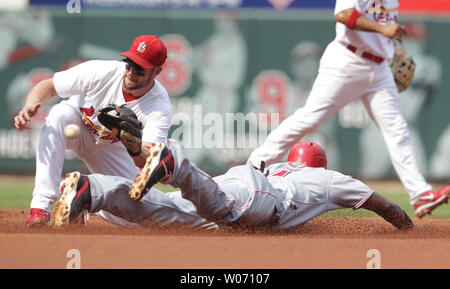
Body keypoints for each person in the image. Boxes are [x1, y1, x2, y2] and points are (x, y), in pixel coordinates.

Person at [246, 0, 450, 218]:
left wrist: (389, 49)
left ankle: (420, 194)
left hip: (379, 68)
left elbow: (380, 24)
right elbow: (344, 14)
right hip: (347, 61)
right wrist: (383, 29)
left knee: (397, 130)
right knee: (309, 118)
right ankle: (254, 165)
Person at [54, 140, 414, 231]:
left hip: (242, 186)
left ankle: (93, 191)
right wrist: (408, 228)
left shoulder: (281, 168)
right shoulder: (329, 178)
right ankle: (174, 165)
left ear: (294, 159)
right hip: (258, 197)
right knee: (227, 208)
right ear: (318, 165)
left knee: (163, 212)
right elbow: (382, 204)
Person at [14, 35, 173, 227]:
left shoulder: (158, 107)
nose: (131, 72)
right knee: (58, 115)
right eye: (129, 64)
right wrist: (30, 104)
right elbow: (48, 86)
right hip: (77, 125)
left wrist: (136, 150)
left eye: (139, 69)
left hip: (112, 148)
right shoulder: (100, 72)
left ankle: (77, 196)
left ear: (157, 71)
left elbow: (147, 162)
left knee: (133, 220)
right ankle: (40, 207)